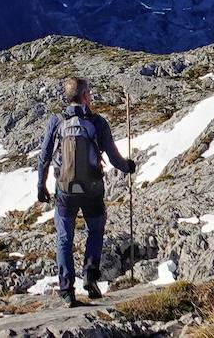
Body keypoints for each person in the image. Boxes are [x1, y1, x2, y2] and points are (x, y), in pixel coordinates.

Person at [36, 76, 135, 306]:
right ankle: (90, 275)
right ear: (83, 96)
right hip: (92, 190)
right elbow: (113, 156)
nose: (90, 96)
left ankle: (67, 290)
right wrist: (127, 166)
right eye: (89, 93)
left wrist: (41, 185)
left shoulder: (56, 121)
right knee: (96, 230)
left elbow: (44, 157)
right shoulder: (97, 122)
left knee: (64, 238)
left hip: (65, 190)